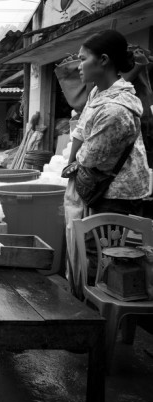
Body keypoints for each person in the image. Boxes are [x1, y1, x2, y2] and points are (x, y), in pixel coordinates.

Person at [61, 30, 152, 296]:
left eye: (83, 58)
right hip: (96, 186)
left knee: (98, 258)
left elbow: (91, 158)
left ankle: (91, 318)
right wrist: (70, 167)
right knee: (87, 252)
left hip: (114, 192)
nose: (78, 65)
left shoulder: (115, 109)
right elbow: (79, 132)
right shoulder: (98, 94)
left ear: (102, 60)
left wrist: (76, 166)